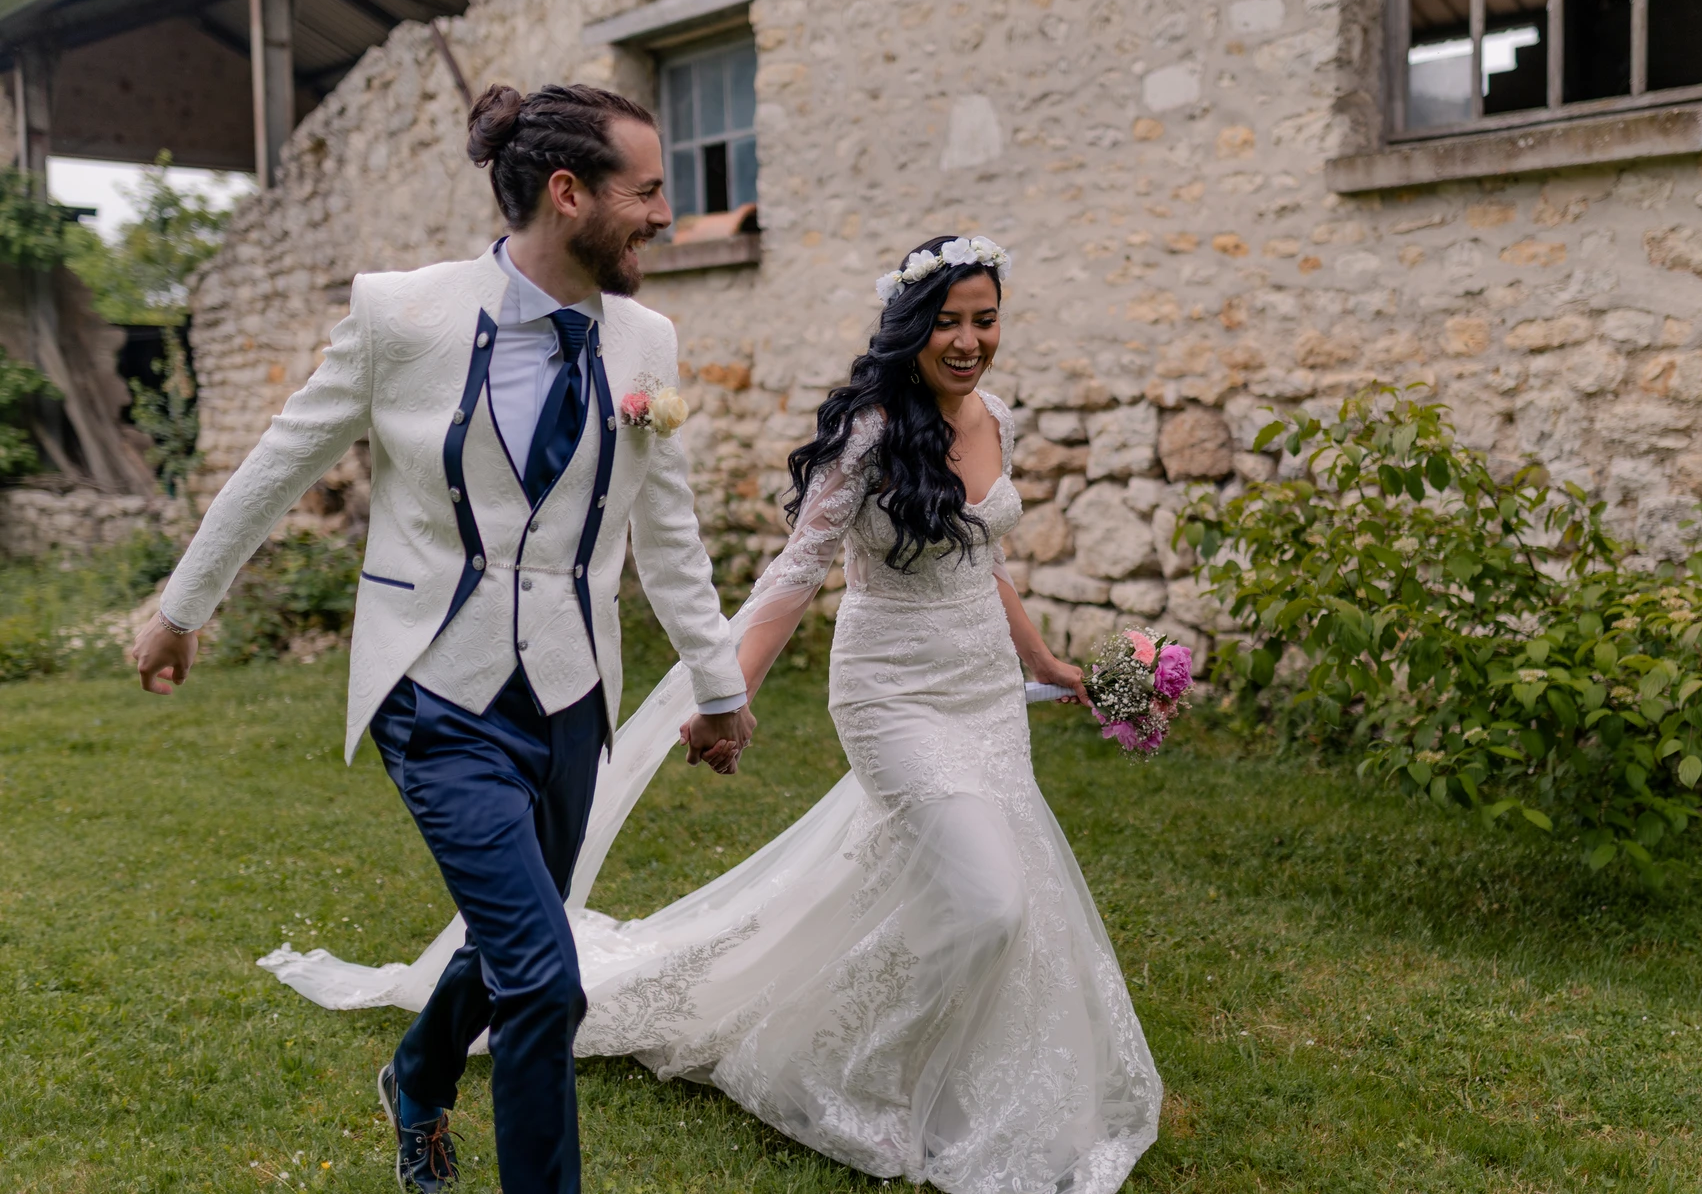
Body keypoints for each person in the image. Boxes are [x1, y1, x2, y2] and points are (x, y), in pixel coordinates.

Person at [130, 82, 755, 1194]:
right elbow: (279, 462)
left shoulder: (646, 340)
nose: (666, 214)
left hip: (570, 695)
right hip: (438, 692)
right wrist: (181, 610)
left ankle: (417, 1072)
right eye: (647, 191)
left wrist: (717, 684)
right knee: (545, 978)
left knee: (514, 937)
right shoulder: (403, 316)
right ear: (568, 193)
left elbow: (667, 536)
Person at [570, 235, 1163, 1191]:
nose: (968, 341)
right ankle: (864, 1081)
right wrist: (727, 695)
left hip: (982, 690)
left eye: (985, 320)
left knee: (968, 892)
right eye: (947, 321)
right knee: (991, 900)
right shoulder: (870, 430)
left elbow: (983, 562)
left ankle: (946, 1077)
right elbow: (798, 570)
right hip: (891, 691)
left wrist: (1045, 661)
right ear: (908, 326)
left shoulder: (998, 418)